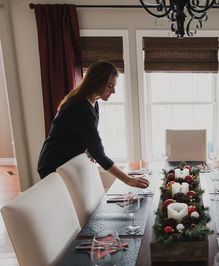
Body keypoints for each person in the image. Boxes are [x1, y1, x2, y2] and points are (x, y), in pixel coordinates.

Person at [37, 61, 149, 189]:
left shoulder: (93, 103)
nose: (113, 91)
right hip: (53, 165)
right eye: (110, 86)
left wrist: (89, 149)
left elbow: (83, 134)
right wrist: (128, 180)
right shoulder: (80, 107)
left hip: (67, 162)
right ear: (96, 82)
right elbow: (99, 153)